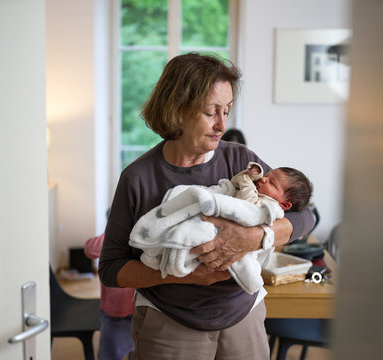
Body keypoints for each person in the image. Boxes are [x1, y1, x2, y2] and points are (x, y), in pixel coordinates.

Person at [98, 52, 315, 360]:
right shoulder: (138, 177)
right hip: (170, 323)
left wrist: (257, 237)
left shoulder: (240, 160)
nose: (222, 125)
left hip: (244, 315)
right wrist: (180, 275)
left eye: (227, 111)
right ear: (179, 110)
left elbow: (304, 215)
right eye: (212, 112)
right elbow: (110, 268)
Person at [128, 161, 313, 294]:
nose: (264, 180)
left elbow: (246, 207)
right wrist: (250, 174)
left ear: (285, 205)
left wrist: (247, 182)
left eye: (271, 182)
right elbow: (236, 183)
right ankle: (166, 246)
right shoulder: (259, 187)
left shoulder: (270, 207)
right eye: (266, 176)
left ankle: (172, 252)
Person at [84, 234, 135, 360]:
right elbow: (90, 249)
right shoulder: (114, 234)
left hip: (145, 310)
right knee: (109, 354)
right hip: (116, 313)